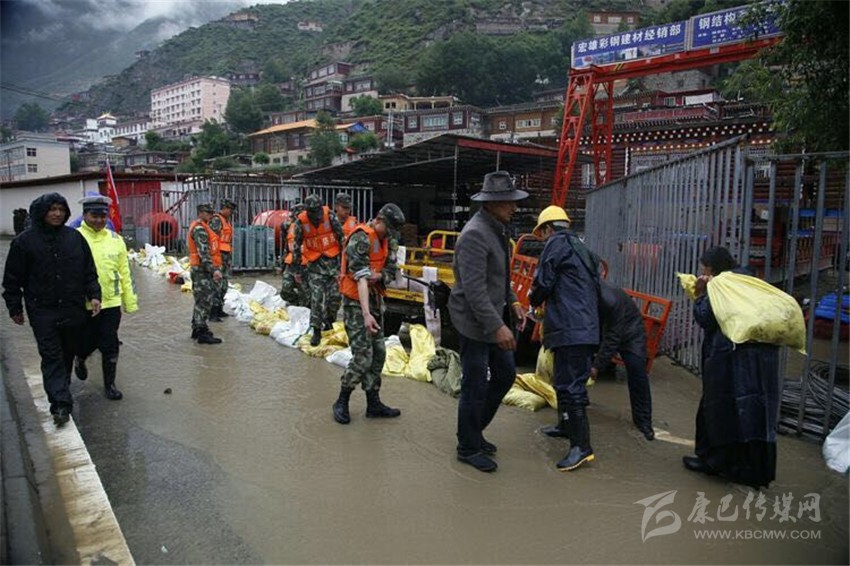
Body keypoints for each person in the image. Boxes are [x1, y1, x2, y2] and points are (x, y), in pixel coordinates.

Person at [683, 246, 781, 489]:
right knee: (753, 410)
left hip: (729, 358)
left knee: (719, 408)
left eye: (704, 268)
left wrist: (701, 293)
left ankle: (716, 463)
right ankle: (752, 471)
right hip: (760, 359)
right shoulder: (750, 281)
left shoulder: (721, 285)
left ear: (712, 268)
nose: (703, 272)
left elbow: (706, 318)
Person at [449, 171, 528, 473]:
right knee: (475, 384)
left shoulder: (497, 230)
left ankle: (473, 430)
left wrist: (514, 302)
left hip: (492, 314)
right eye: (509, 202)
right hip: (473, 322)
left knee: (505, 375)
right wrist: (497, 327)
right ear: (492, 203)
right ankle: (467, 447)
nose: (514, 208)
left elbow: (500, 277)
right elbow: (474, 290)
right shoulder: (475, 234)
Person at [2, 193, 102, 426]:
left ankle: (62, 387)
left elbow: (89, 271)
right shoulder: (24, 242)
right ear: (42, 212)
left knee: (68, 352)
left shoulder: (74, 238)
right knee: (51, 355)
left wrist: (94, 295)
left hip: (73, 308)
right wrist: (14, 307)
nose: (57, 214)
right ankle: (60, 405)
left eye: (61, 209)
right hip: (42, 310)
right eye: (52, 209)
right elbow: (12, 279)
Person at [529, 205, 600, 472]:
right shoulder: (581, 248)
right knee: (563, 381)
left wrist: (532, 299)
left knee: (572, 387)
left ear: (548, 228)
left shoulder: (556, 244)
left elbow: (543, 282)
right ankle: (565, 426)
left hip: (571, 328)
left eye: (542, 233)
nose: (543, 239)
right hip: (582, 327)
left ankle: (582, 447)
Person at [332, 203, 406, 425]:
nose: (390, 236)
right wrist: (366, 314)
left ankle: (373, 403)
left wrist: (380, 276)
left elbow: (391, 271)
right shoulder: (360, 239)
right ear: (379, 220)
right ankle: (342, 400)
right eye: (388, 230)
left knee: (379, 353)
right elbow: (361, 279)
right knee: (363, 356)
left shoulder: (389, 239)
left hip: (375, 301)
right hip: (356, 304)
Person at [73, 195, 138, 400]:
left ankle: (110, 384)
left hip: (111, 302)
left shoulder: (115, 240)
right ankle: (80, 358)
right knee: (86, 342)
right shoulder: (73, 237)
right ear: (85, 215)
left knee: (110, 343)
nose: (99, 220)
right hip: (83, 304)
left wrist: (129, 301)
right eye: (94, 216)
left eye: (103, 216)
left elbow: (125, 272)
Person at [587, 280, 654, 441]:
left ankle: (644, 421)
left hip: (631, 333)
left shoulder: (610, 301)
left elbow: (613, 337)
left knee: (637, 373)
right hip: (605, 329)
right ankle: (579, 402)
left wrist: (597, 366)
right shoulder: (588, 292)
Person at [292, 193, 346, 346]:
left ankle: (329, 322)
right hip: (315, 265)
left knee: (335, 297)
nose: (317, 216)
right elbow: (296, 245)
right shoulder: (301, 221)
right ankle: (316, 330)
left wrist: (344, 265)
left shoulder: (330, 216)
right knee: (316, 299)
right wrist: (297, 269)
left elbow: (341, 238)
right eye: (313, 213)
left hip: (333, 264)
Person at [188, 203, 224, 345]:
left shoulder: (203, 226)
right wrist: (214, 270)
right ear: (201, 213)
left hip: (201, 269)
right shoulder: (200, 229)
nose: (210, 216)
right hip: (202, 270)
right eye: (208, 213)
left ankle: (197, 328)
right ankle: (202, 333)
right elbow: (203, 252)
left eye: (211, 213)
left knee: (201, 300)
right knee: (205, 300)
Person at [208, 198, 236, 321]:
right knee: (216, 284)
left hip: (225, 256)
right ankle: (213, 313)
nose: (231, 213)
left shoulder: (226, 221)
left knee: (224, 284)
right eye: (230, 210)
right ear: (224, 208)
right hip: (218, 256)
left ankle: (219, 309)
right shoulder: (216, 220)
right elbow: (212, 238)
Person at [279, 203, 309, 307]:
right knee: (285, 290)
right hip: (291, 261)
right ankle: (295, 303)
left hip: (304, 262)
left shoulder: (308, 227)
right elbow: (287, 246)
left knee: (304, 292)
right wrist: (282, 264)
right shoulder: (289, 226)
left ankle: (304, 309)